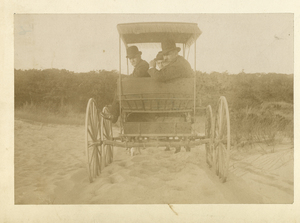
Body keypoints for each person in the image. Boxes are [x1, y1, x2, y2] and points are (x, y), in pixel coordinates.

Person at [149, 38, 194, 153]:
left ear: (175, 52)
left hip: (180, 99)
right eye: (164, 55)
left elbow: (160, 76)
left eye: (168, 54)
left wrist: (151, 68)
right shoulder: (177, 62)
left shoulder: (178, 65)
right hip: (179, 98)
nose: (165, 58)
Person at [108, 46, 150, 124]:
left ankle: (114, 115)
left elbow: (136, 76)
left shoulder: (144, 65)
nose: (132, 60)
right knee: (119, 85)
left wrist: (125, 79)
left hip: (141, 94)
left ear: (139, 56)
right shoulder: (139, 65)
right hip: (139, 92)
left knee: (120, 87)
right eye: (130, 59)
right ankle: (113, 113)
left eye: (134, 58)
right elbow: (134, 76)